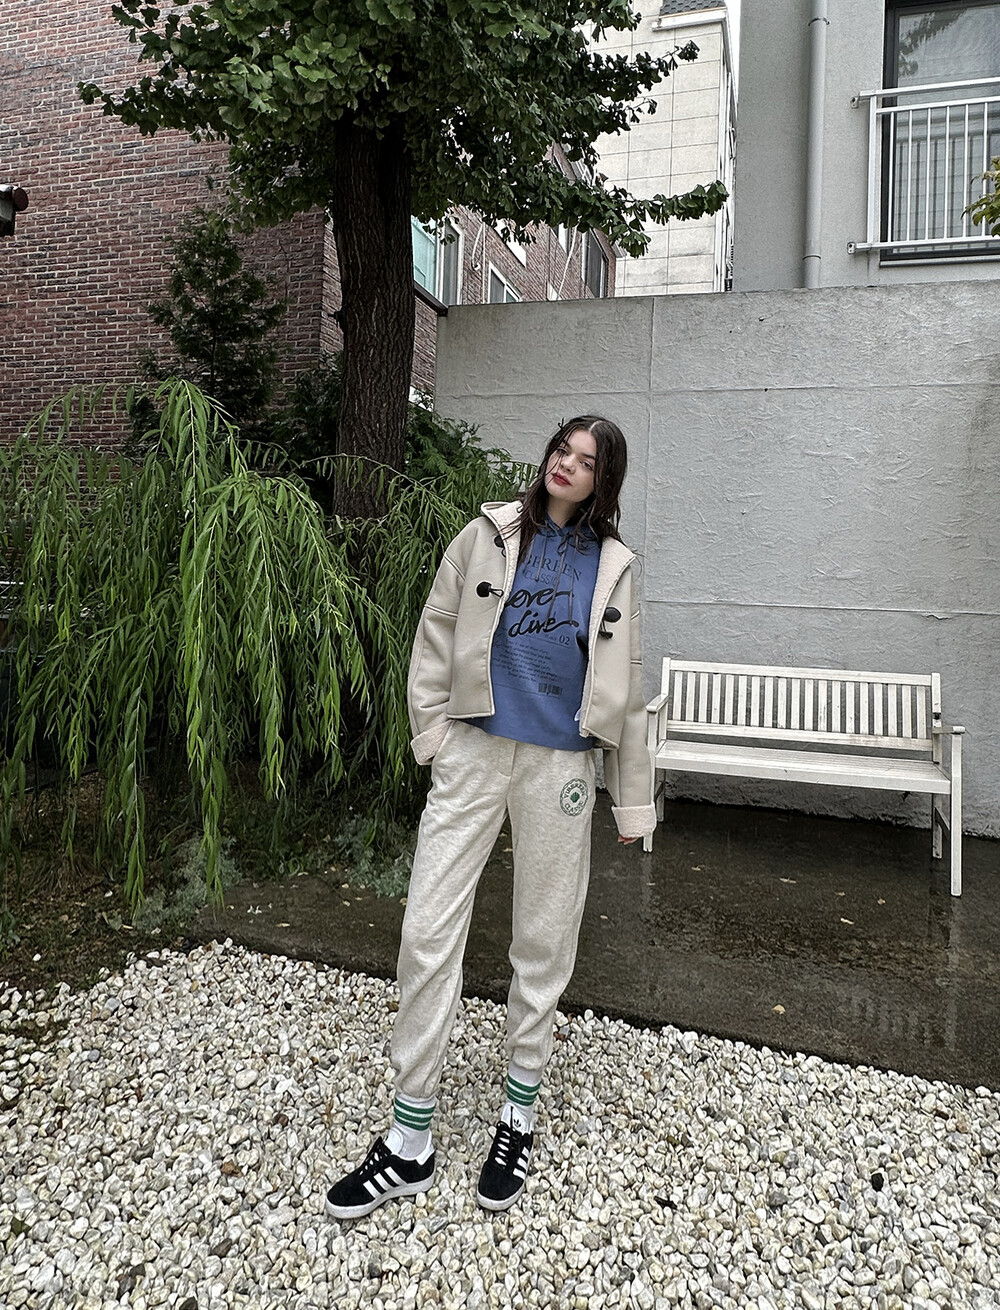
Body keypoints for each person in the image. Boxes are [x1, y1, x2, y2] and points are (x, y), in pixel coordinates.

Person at [325, 415, 655, 1219]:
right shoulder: (487, 535)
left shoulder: (614, 566)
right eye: (561, 450)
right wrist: (433, 734)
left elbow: (628, 683)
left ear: (604, 480)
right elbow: (434, 634)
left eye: (586, 460)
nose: (566, 465)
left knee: (544, 935)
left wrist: (632, 797)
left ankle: (518, 1112)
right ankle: (409, 1138)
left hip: (560, 767)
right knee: (427, 928)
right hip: (473, 753)